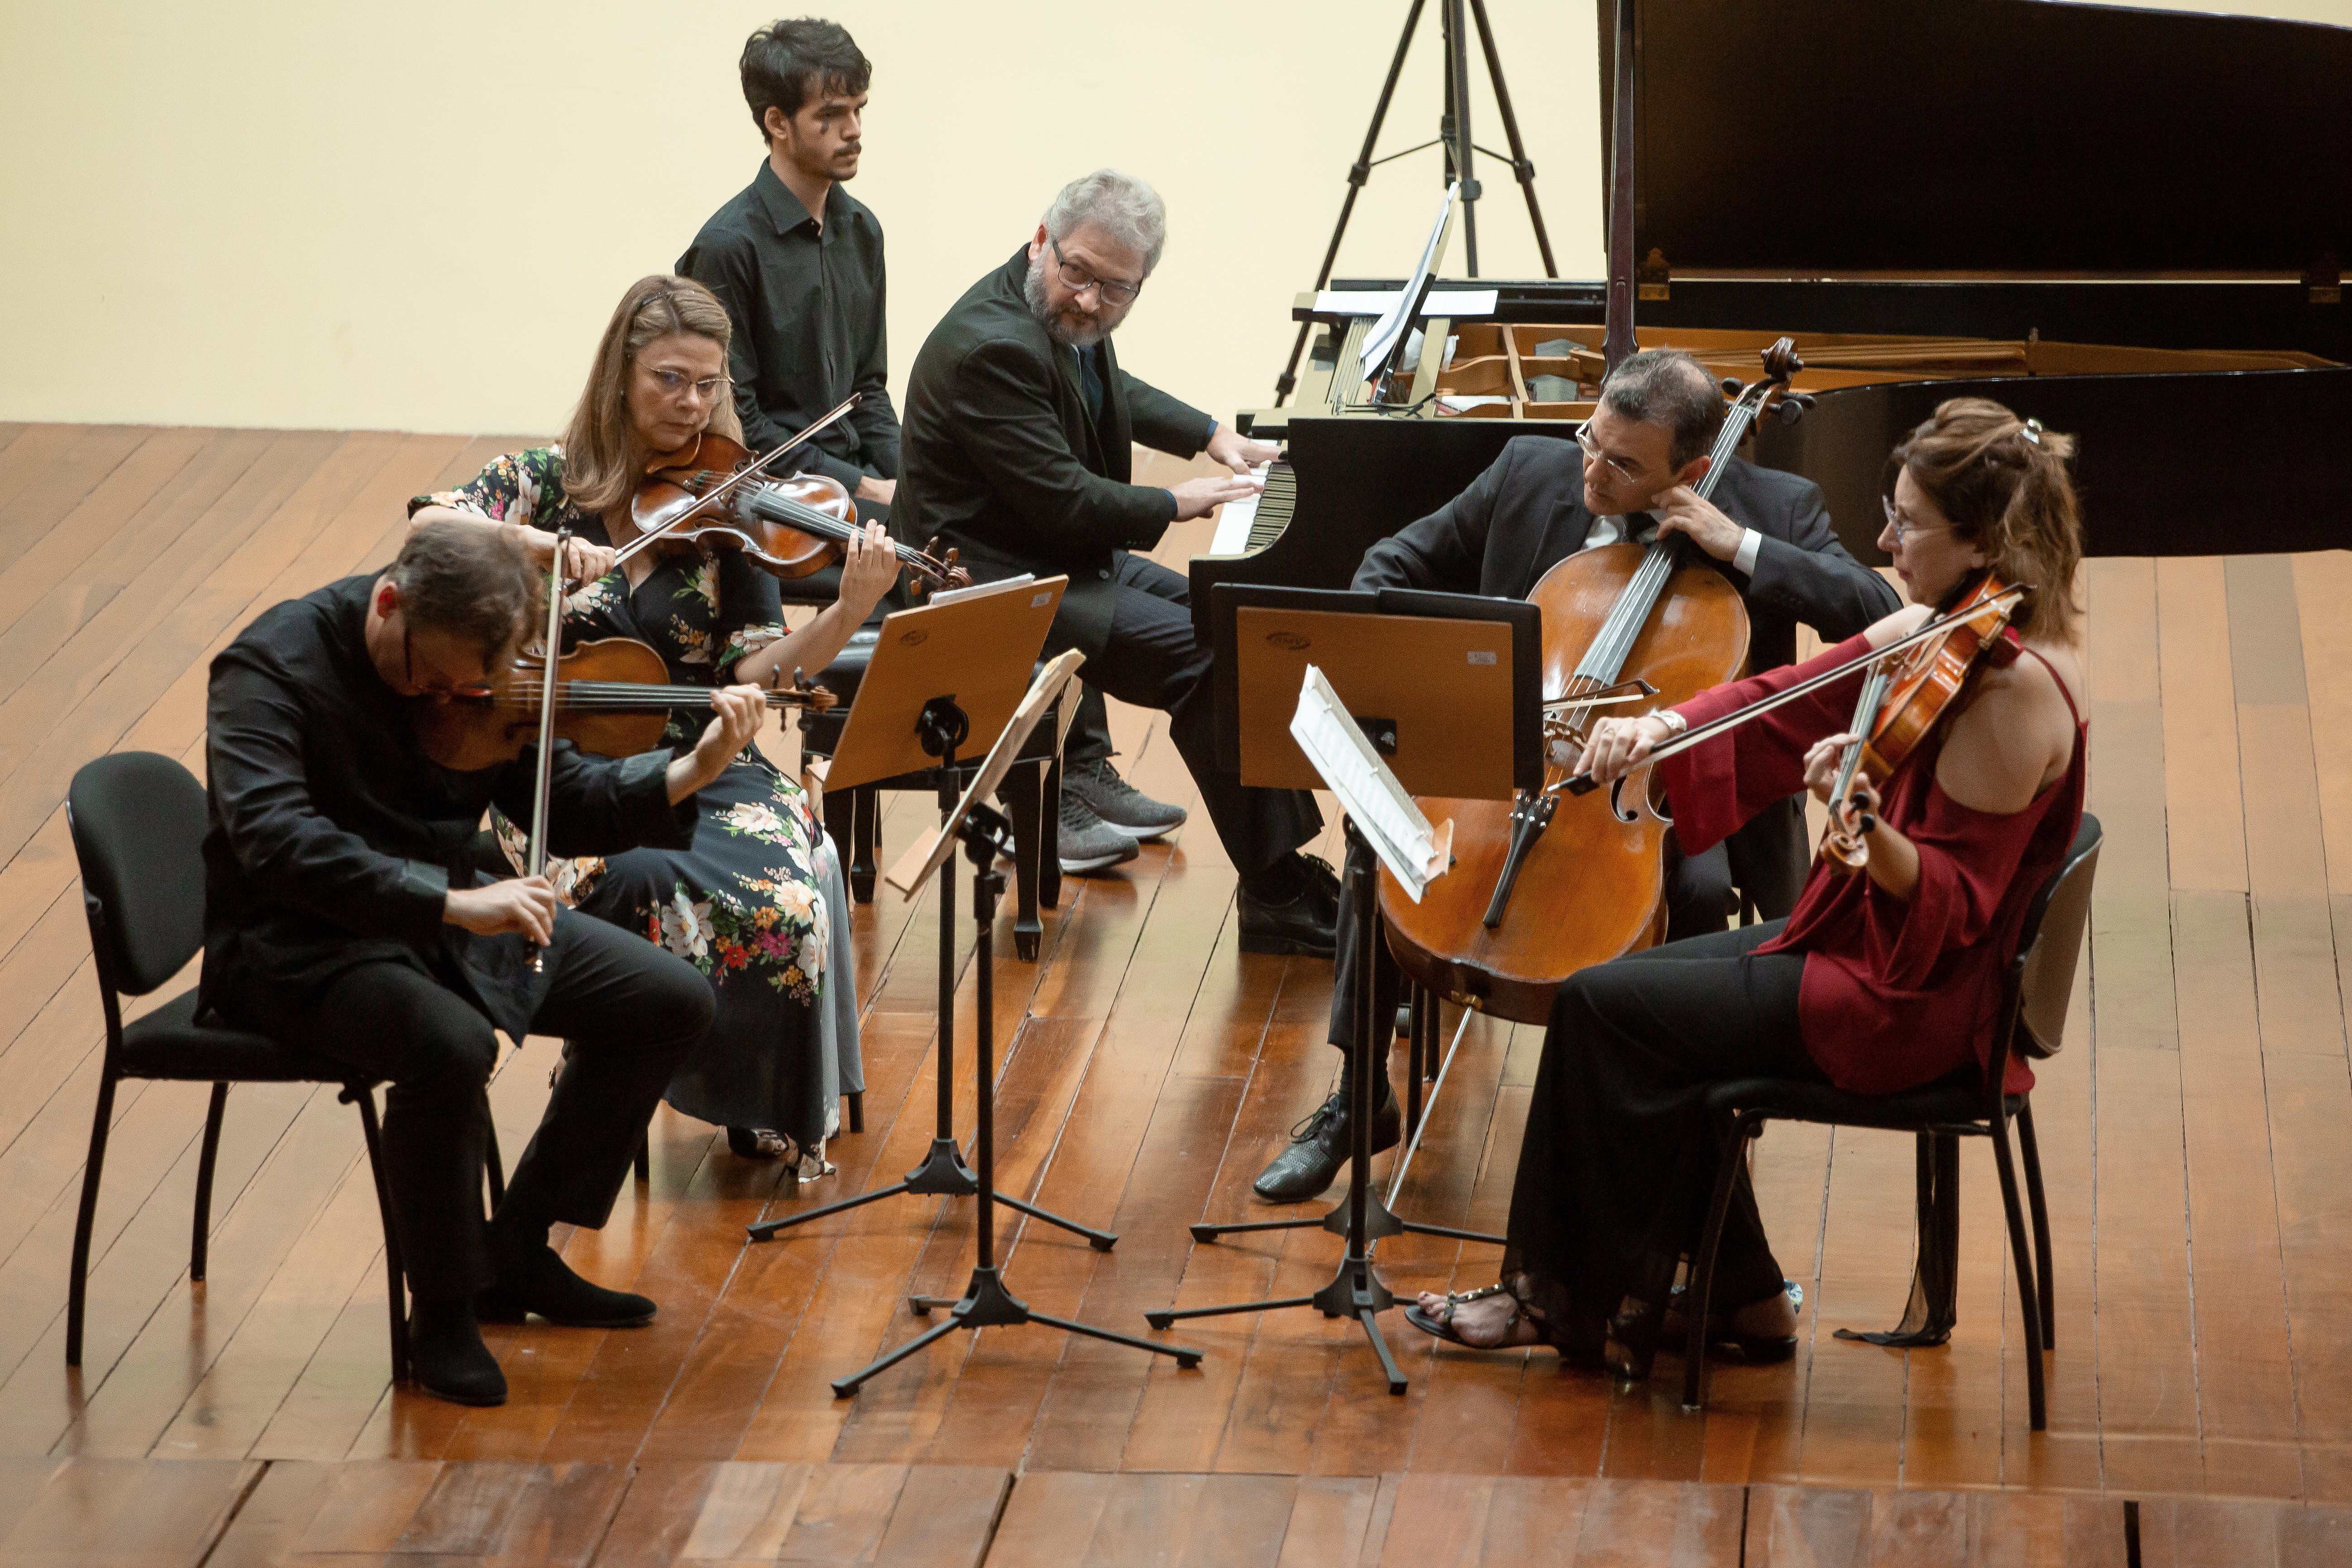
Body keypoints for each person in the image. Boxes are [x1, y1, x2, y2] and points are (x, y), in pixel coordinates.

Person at [1404, 399, 2087, 1380]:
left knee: (1604, 1004)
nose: (1885, 542)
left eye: (1906, 525)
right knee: (1641, 1005)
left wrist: (1866, 828)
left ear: (1984, 538)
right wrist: (1661, 727)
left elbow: (1945, 909)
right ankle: (1746, 1298)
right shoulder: (1939, 626)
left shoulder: (2010, 695)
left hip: (1899, 1001)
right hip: (1853, 942)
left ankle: (1550, 1294)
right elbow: (1782, 701)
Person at [1252, 348, 1902, 1201]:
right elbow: (1392, 563)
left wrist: (1737, 545)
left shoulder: (1775, 506)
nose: (1592, 470)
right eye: (1589, 442)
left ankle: (1672, 1131)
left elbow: (1883, 614)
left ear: (1694, 471)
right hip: (1517, 755)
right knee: (1379, 839)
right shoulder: (1529, 468)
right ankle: (1357, 1092)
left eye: (1624, 464)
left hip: (1676, 786)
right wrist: (1434, 682)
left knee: (1699, 894)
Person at [201, 520, 765, 1407]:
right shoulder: (269, 668)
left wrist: (689, 770)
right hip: (297, 945)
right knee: (450, 1045)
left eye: (470, 683)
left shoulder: (473, 671)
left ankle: (518, 1249)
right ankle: (445, 1312)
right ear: (390, 601)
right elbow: (276, 841)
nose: (446, 698)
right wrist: (451, 901)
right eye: (431, 675)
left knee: (668, 1000)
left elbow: (565, 791)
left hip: (446, 922)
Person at [409, 274, 899, 1177]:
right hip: (557, 768)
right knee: (630, 879)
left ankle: (757, 1098)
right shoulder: (549, 479)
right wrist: (543, 547)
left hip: (709, 756)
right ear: (621, 376)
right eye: (669, 379)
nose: (691, 404)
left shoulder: (733, 502)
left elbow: (761, 666)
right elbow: (429, 528)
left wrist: (847, 611)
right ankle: (616, 1072)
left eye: (708, 384)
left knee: (785, 902)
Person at [895, 168, 1336, 940]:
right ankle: (1273, 889)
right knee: (1206, 660)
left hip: (1053, 557)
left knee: (1236, 624)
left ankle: (1284, 868)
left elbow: (1109, 384)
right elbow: (1068, 497)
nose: (1092, 301)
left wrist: (1210, 434)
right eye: (1078, 274)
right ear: (1041, 242)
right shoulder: (990, 349)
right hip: (991, 584)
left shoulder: (1055, 318)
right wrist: (1178, 500)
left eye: (1117, 289)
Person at [677, 18, 897, 526]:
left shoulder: (863, 231)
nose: (854, 130)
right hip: (767, 488)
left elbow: (869, 389)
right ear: (778, 123)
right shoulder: (726, 247)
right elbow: (737, 420)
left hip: (850, 474)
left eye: (858, 110)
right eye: (832, 114)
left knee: (970, 531)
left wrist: (912, 477)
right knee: (903, 562)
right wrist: (862, 485)